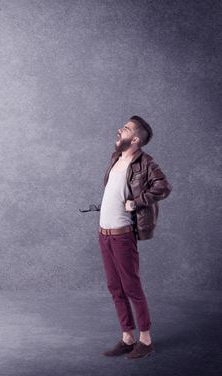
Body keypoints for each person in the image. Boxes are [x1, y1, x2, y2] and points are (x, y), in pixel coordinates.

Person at [98, 115, 172, 359]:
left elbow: (164, 187)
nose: (120, 130)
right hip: (104, 235)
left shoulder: (145, 163)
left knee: (131, 287)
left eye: (126, 129)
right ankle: (128, 337)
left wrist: (137, 202)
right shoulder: (115, 157)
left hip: (122, 236)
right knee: (114, 287)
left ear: (136, 139)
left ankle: (146, 340)